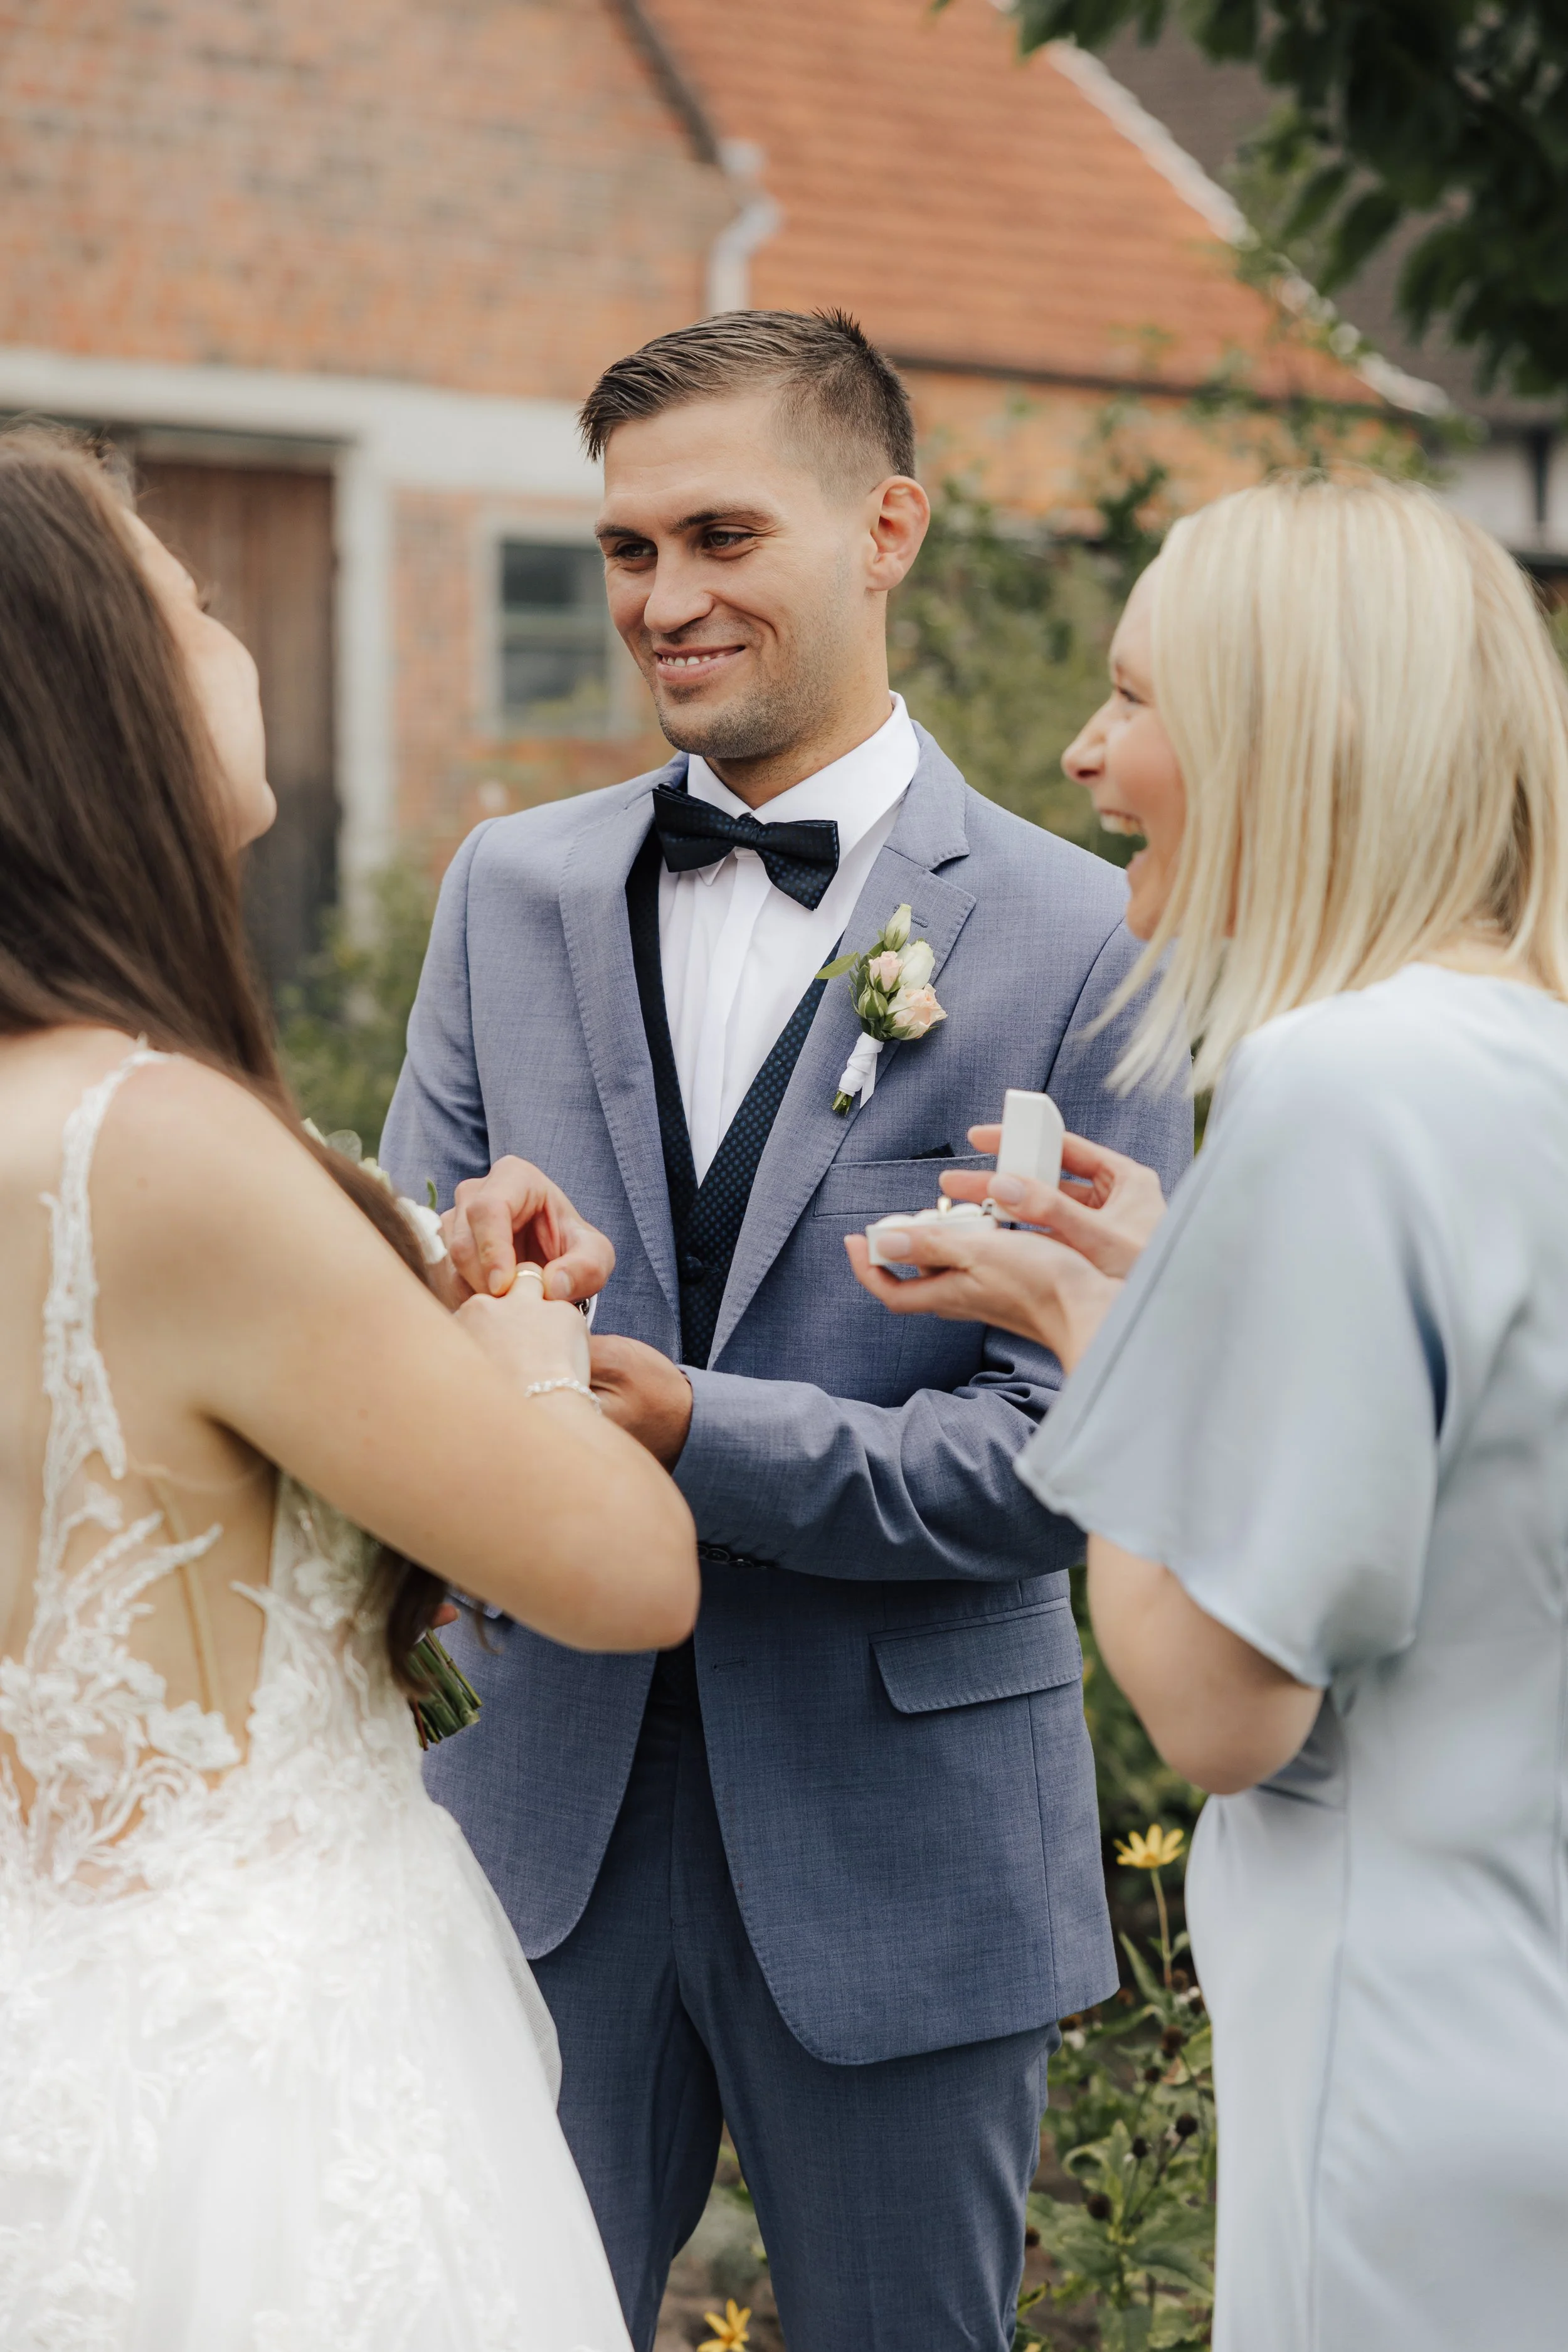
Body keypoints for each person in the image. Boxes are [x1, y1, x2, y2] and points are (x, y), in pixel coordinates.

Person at [380, 308, 1192, 2352]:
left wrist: (684, 1429)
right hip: (536, 1825)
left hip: (908, 1845)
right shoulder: (507, 890)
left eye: (722, 534)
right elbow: (399, 1334)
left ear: (886, 525)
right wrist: (458, 1287)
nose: (665, 598)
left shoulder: (1088, 942)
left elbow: (1062, 1445)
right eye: (627, 550)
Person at [848, 471, 1568, 2352]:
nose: (1085, 749)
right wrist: (1184, 1284)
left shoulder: (1335, 1085)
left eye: (1136, 697)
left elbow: (1223, 1705)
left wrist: (1101, 1344)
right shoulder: (1522, 1056)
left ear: (1281, 736)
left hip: (1393, 2062)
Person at [0, 428, 699, 2352]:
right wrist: (530, 1362)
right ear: (95, 697)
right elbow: (621, 1571)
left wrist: (407, 1297)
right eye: (194, 602)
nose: (232, 637)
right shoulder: (159, 1142)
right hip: (274, 2082)